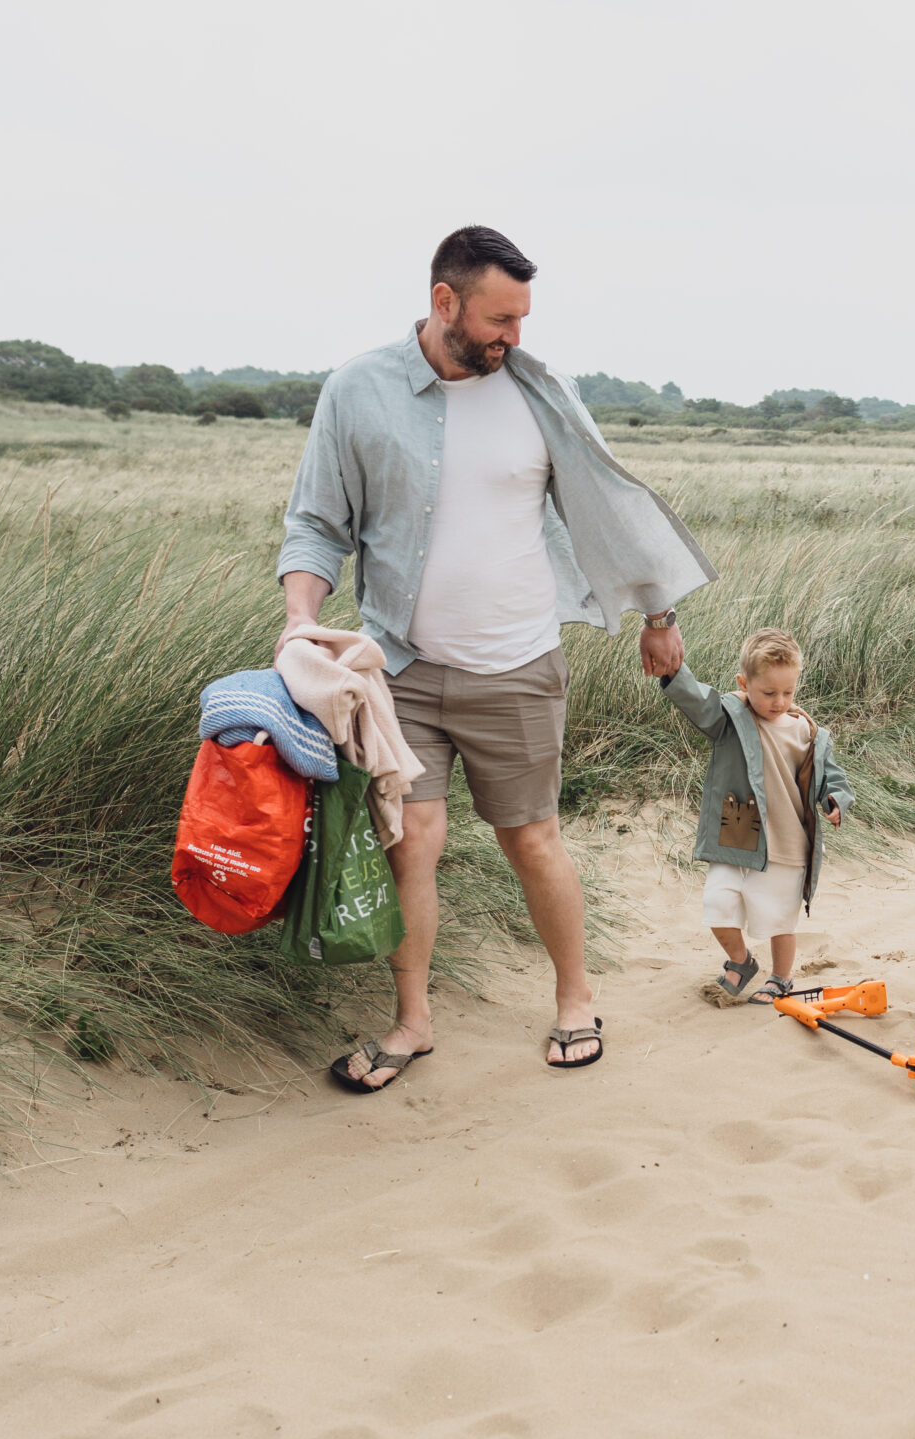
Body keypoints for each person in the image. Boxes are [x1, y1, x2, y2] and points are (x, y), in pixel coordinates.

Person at [277, 225, 715, 1086]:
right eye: (499, 319)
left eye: (522, 318)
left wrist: (658, 615)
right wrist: (300, 620)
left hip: (518, 663)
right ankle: (413, 1022)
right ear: (445, 302)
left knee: (532, 838)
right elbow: (317, 523)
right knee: (413, 842)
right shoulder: (357, 391)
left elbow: (606, 506)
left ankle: (575, 999)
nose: (514, 336)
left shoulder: (540, 392)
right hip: (400, 666)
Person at [659, 627, 853, 1004]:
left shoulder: (808, 732)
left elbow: (832, 777)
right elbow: (698, 701)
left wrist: (835, 800)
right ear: (743, 684)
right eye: (768, 693)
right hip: (738, 832)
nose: (779, 702)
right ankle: (741, 960)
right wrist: (673, 673)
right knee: (718, 905)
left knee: (780, 918)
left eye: (788, 692)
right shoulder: (730, 718)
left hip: (788, 842)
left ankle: (781, 977)